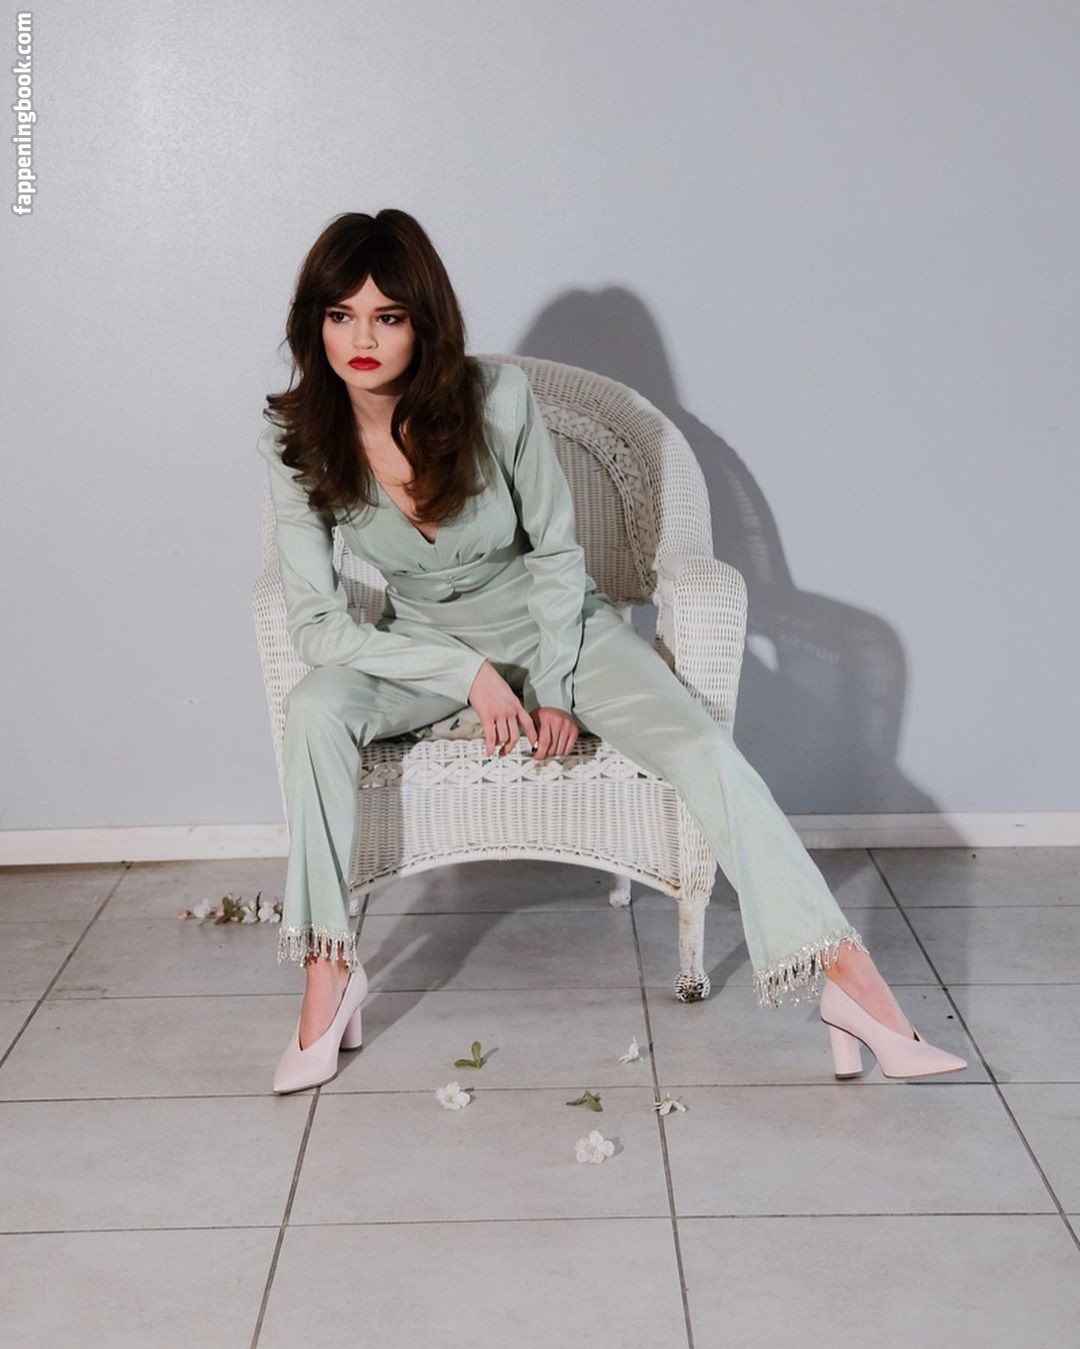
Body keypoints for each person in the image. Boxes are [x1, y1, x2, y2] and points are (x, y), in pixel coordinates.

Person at [258, 208, 967, 1093]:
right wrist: (467, 674)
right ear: (315, 321)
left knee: (703, 745)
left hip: (560, 628)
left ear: (423, 322)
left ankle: (850, 981)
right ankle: (329, 972)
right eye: (342, 315)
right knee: (316, 706)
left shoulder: (495, 400)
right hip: (428, 648)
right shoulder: (295, 438)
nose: (362, 340)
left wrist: (552, 684)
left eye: (387, 316)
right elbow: (317, 626)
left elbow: (557, 552)